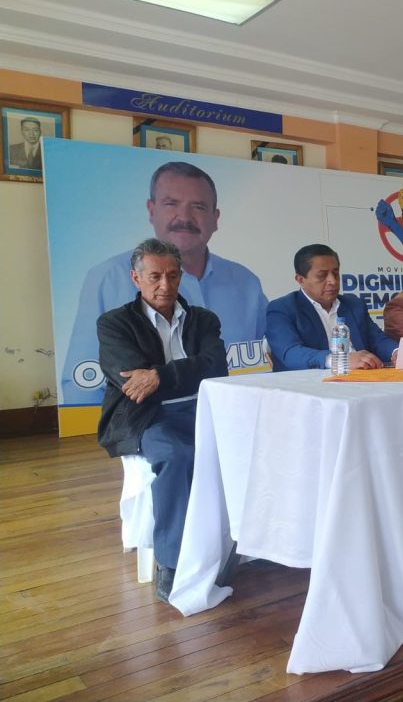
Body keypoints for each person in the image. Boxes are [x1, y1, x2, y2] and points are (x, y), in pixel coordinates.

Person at [62, 162, 268, 406]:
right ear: (151, 210)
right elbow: (82, 379)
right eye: (171, 204)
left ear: (215, 218)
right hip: (149, 416)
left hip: (233, 410)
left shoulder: (246, 282)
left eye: (199, 206)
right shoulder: (107, 277)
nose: (184, 217)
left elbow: (263, 360)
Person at [96, 238, 228, 603]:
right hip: (148, 415)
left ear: (182, 275)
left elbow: (216, 367)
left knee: (253, 445)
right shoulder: (114, 323)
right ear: (136, 278)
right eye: (154, 276)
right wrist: (178, 374)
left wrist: (159, 375)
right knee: (178, 455)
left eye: (172, 275)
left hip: (205, 408)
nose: (165, 286)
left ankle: (245, 544)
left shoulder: (203, 319)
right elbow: (132, 381)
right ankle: (172, 563)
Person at [265, 244, 398, 371]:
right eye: (322, 276)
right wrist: (341, 360)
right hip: (311, 386)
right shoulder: (282, 309)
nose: (333, 281)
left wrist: (397, 352)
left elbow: (377, 339)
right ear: (300, 280)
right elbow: (291, 353)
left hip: (362, 379)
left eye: (335, 273)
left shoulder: (354, 305)